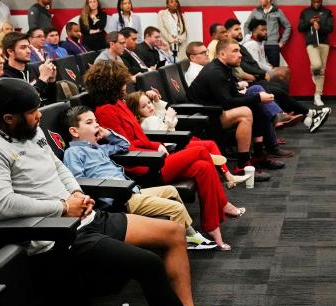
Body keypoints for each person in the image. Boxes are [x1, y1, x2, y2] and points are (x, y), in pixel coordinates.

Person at [0, 79, 262, 306]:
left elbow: (59, 169)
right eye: (32, 112)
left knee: (172, 232)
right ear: (8, 117)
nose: (39, 116)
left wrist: (76, 195)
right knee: (147, 263)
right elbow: (1, 206)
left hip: (81, 217)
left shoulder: (29, 130)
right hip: (54, 235)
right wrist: (61, 207)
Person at [85, 62, 247, 250]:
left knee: (203, 167)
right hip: (141, 165)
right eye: (122, 82)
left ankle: (212, 227)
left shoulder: (119, 103)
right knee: (202, 151)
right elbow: (125, 146)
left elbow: (141, 137)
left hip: (152, 155)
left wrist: (157, 145)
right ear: (111, 84)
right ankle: (224, 202)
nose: (126, 85)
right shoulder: (104, 111)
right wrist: (155, 150)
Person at [62, 105, 216, 249]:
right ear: (74, 132)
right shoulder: (73, 153)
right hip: (119, 197)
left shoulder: (99, 148)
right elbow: (78, 182)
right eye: (89, 122)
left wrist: (108, 134)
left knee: (171, 190)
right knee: (176, 208)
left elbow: (124, 145)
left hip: (132, 191)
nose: (96, 125)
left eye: (96, 121)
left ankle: (191, 237)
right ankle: (178, 246)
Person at [188, 38, 290, 171]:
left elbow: (233, 96)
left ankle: (259, 155)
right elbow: (227, 102)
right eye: (235, 51)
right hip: (204, 116)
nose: (240, 54)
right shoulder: (215, 72)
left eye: (239, 51)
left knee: (257, 103)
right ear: (223, 54)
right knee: (246, 112)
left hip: (216, 110)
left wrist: (257, 99)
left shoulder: (225, 68)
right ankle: (242, 165)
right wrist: (257, 97)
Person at [125, 90, 249, 188]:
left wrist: (157, 101)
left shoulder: (150, 117)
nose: (149, 106)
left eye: (149, 102)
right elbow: (162, 134)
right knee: (208, 146)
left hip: (173, 143)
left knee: (208, 144)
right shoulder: (148, 121)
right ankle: (227, 175)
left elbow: (159, 114)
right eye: (144, 106)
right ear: (137, 111)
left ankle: (227, 175)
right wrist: (168, 119)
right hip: (171, 148)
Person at [297, 0, 334, 107]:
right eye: (314, 1)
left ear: (321, 0)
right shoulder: (305, 12)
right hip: (311, 42)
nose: (316, 3)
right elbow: (300, 28)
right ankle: (314, 72)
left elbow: (330, 28)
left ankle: (317, 95)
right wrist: (310, 23)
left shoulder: (327, 12)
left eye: (319, 1)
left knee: (322, 70)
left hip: (324, 43)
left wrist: (320, 26)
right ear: (311, 0)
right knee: (317, 65)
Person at [1, 31, 56, 103]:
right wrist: (42, 79)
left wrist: (51, 81)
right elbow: (26, 103)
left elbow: (52, 101)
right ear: (10, 51)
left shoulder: (35, 68)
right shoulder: (5, 77)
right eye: (23, 48)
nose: (29, 51)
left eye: (28, 47)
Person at [246, 0, 291, 68]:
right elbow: (246, 25)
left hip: (273, 45)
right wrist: (248, 38)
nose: (260, 0)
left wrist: (282, 42)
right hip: (258, 44)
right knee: (258, 67)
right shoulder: (256, 11)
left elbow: (288, 26)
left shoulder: (278, 11)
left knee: (274, 69)